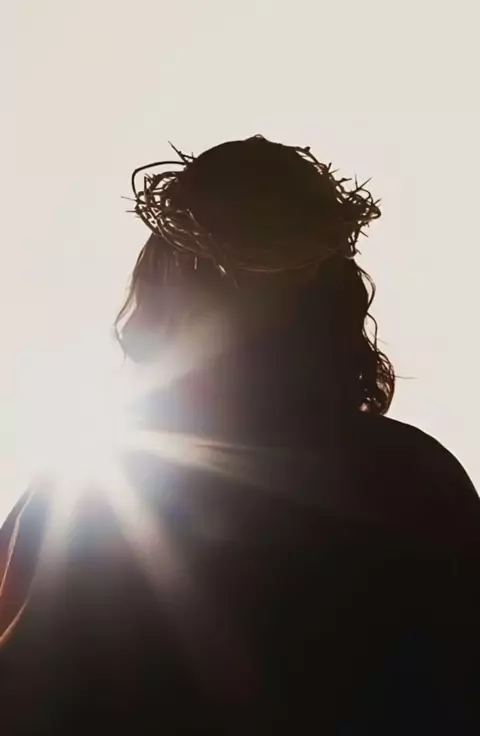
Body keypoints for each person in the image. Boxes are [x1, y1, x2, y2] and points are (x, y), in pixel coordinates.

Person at [1, 134, 479, 733]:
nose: (134, 322)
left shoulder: (98, 491)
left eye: (161, 285)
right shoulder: (419, 480)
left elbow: (26, 692)